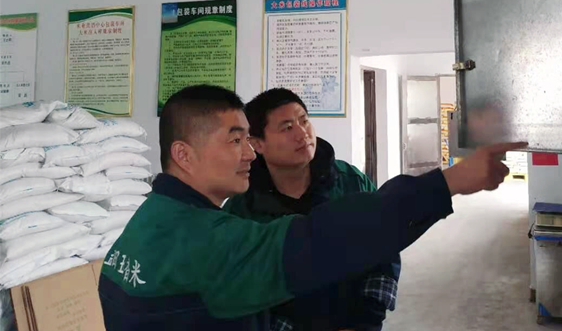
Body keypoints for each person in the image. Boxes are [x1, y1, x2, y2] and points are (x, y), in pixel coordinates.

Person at [98, 84, 525, 331]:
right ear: (183, 154)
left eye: (303, 120)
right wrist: (449, 182)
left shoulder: (151, 220)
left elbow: (375, 252)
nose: (248, 153)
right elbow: (323, 240)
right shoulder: (211, 236)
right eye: (235, 140)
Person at [225, 88, 400, 331]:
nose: (302, 134)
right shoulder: (243, 207)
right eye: (287, 127)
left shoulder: (350, 182)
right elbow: (243, 287)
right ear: (257, 144)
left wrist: (368, 316)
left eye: (304, 121)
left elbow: (385, 245)